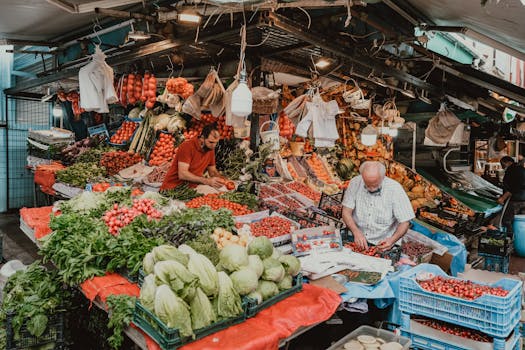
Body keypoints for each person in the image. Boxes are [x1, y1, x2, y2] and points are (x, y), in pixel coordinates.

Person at [341, 161, 415, 251]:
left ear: (383, 177)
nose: (371, 189)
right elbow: (346, 212)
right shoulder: (355, 182)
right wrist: (356, 232)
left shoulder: (395, 189)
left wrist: (392, 240)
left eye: (375, 185)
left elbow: (405, 221)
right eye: (367, 185)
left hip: (382, 245)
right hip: (356, 239)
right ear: (362, 177)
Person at [160, 122, 225, 191]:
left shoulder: (210, 149)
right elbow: (183, 174)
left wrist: (224, 181)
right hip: (171, 189)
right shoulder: (187, 147)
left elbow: (212, 172)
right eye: (211, 142)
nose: (214, 146)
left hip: (188, 190)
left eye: (216, 143)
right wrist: (207, 181)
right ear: (202, 138)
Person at [496, 156, 525, 233]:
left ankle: (510, 238)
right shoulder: (520, 168)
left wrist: (503, 197)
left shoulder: (513, 169)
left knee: (507, 221)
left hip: (516, 201)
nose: (502, 167)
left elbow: (515, 186)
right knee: (521, 221)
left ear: (508, 162)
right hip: (522, 199)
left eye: (502, 164)